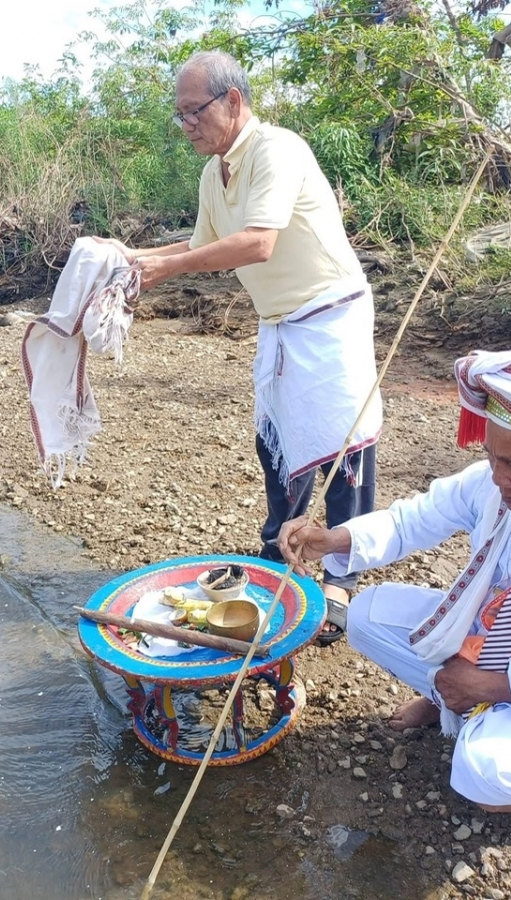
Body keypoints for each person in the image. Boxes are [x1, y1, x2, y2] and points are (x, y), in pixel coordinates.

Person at [277, 349, 511, 828]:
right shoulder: (493, 484)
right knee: (365, 615)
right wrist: (335, 539)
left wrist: (491, 685)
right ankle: (448, 698)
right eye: (492, 457)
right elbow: (412, 520)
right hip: (484, 641)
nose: (499, 478)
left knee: (485, 774)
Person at [97, 50, 382, 644]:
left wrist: (165, 270)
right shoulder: (214, 173)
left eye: (193, 111)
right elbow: (199, 244)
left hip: (330, 314)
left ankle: (340, 578)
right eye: (179, 115)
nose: (186, 125)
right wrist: (132, 256)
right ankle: (281, 549)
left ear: (232, 101)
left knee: (344, 446)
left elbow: (257, 243)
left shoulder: (276, 149)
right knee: (275, 439)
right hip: (280, 322)